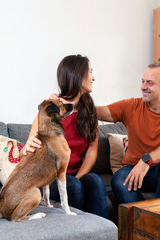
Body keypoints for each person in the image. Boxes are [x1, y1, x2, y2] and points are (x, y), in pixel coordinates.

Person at [20, 54, 108, 218]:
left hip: (74, 174)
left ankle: (104, 231)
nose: (93, 77)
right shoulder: (50, 109)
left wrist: (80, 176)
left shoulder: (89, 111)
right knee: (73, 186)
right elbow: (31, 149)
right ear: (77, 75)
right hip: (49, 178)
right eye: (90, 72)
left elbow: (92, 152)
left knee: (94, 180)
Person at [96, 63, 160, 204]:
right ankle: (146, 220)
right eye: (143, 81)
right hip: (133, 171)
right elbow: (97, 112)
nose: (143, 87)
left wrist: (146, 160)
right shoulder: (130, 106)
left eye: (150, 83)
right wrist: (68, 101)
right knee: (119, 178)